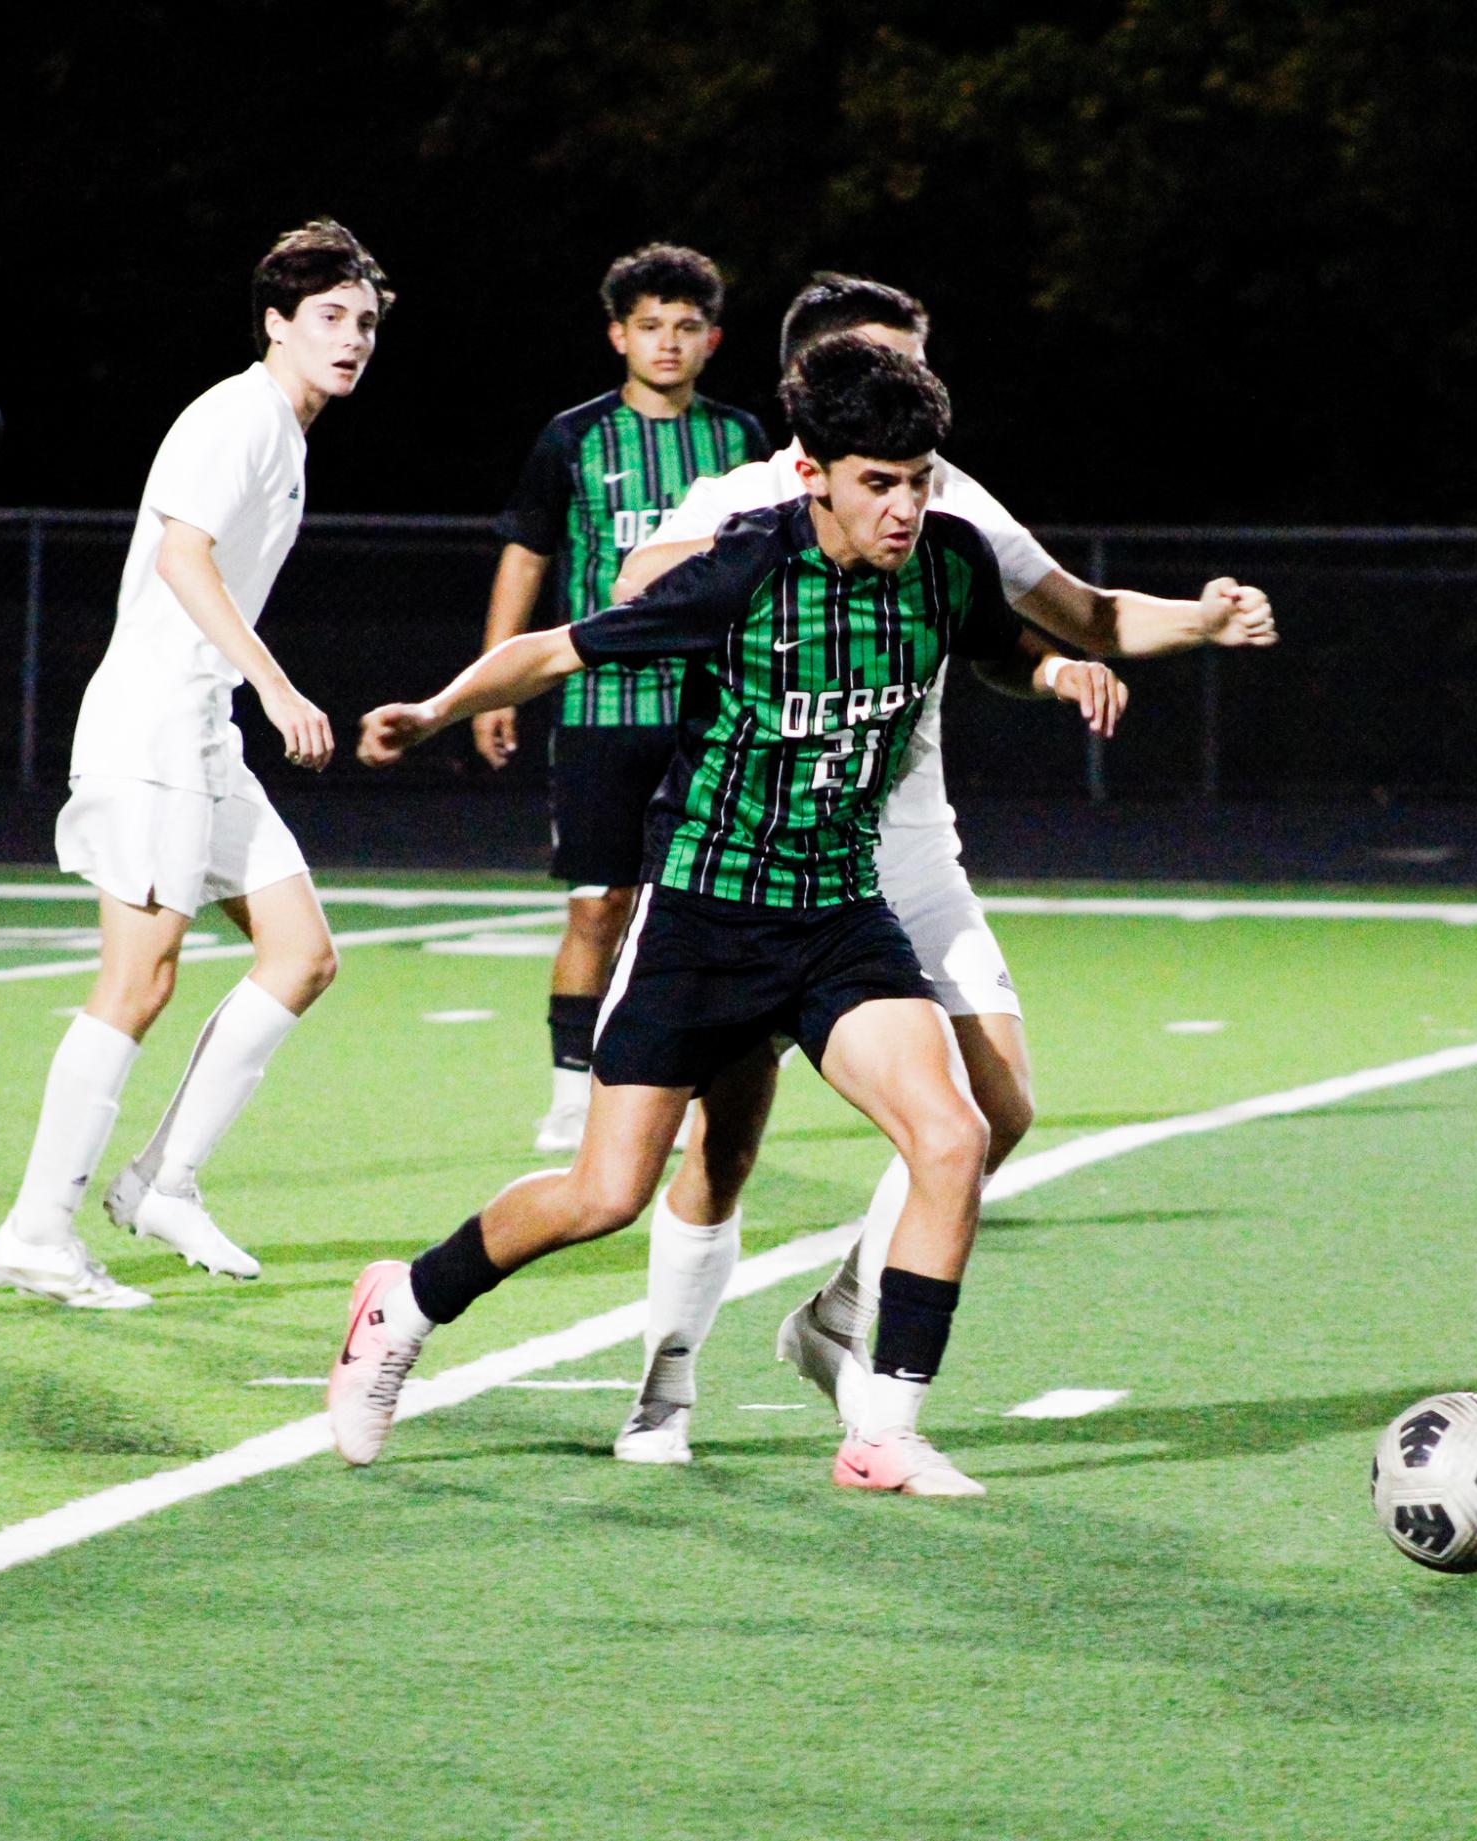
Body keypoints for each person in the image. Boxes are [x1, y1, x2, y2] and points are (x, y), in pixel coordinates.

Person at [337, 338, 1129, 1496]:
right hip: (706, 917)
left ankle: (886, 1429)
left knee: (955, 1137)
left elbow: (1003, 648)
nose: (905, 505)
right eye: (878, 481)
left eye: (920, 478)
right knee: (604, 1193)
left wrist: (1058, 675)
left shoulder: (947, 560)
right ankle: (402, 1301)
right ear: (811, 470)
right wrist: (441, 707)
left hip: (840, 916)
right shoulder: (744, 571)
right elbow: (558, 647)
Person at [606, 273, 1277, 1459]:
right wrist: (759, 568)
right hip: (759, 851)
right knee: (723, 1142)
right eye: (878, 367)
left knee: (993, 1111)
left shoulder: (945, 499)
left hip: (904, 851)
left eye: (915, 366)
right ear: (812, 389)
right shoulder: (757, 496)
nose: (907, 403)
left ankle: (842, 1317)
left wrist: (1194, 624)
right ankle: (665, 1383)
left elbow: (1083, 615)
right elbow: (632, 593)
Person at [0, 217, 389, 1309]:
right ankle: (35, 1228)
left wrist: (243, 693)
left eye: (365, 321)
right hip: (154, 727)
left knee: (301, 952)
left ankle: (164, 1177)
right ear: (276, 323)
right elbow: (181, 554)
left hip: (201, 729)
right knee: (139, 979)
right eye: (329, 319)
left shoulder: (289, 432)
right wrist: (275, 680)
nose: (351, 339)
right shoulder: (237, 414)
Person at [472, 243, 767, 1151]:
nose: (668, 343)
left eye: (686, 327)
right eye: (650, 327)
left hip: (707, 713)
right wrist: (495, 683)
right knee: (597, 904)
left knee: (683, 906)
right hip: (601, 710)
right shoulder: (574, 437)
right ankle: (570, 1089)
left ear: (712, 339)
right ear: (617, 335)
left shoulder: (741, 440)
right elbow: (527, 552)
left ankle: (658, 1079)